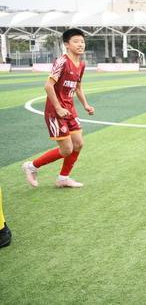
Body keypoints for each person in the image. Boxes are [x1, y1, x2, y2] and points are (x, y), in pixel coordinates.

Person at [22, 28, 94, 188]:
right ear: (67, 44)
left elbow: (78, 87)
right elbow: (48, 86)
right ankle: (31, 166)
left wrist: (86, 105)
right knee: (67, 149)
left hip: (70, 109)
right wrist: (58, 108)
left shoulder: (81, 64)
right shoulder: (62, 62)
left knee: (78, 144)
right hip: (55, 112)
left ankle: (63, 178)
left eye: (82, 41)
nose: (80, 44)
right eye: (76, 41)